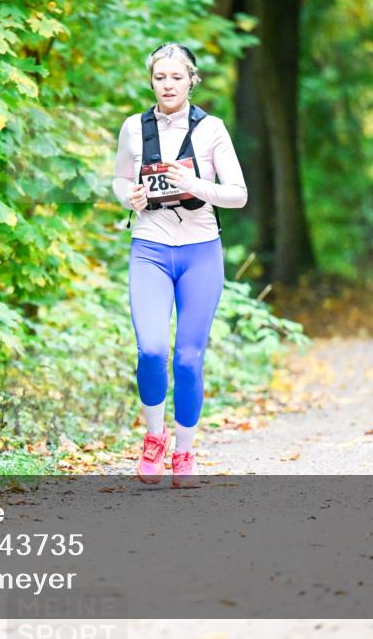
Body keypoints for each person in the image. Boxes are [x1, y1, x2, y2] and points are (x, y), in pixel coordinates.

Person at [112, 43, 248, 488]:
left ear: (192, 80)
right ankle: (155, 438)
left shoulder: (212, 129)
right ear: (151, 80)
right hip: (149, 247)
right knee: (151, 349)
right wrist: (127, 194)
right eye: (159, 77)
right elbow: (119, 177)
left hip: (200, 250)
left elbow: (238, 193)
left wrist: (193, 183)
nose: (167, 85)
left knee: (188, 358)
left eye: (176, 77)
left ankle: (185, 451)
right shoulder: (134, 128)